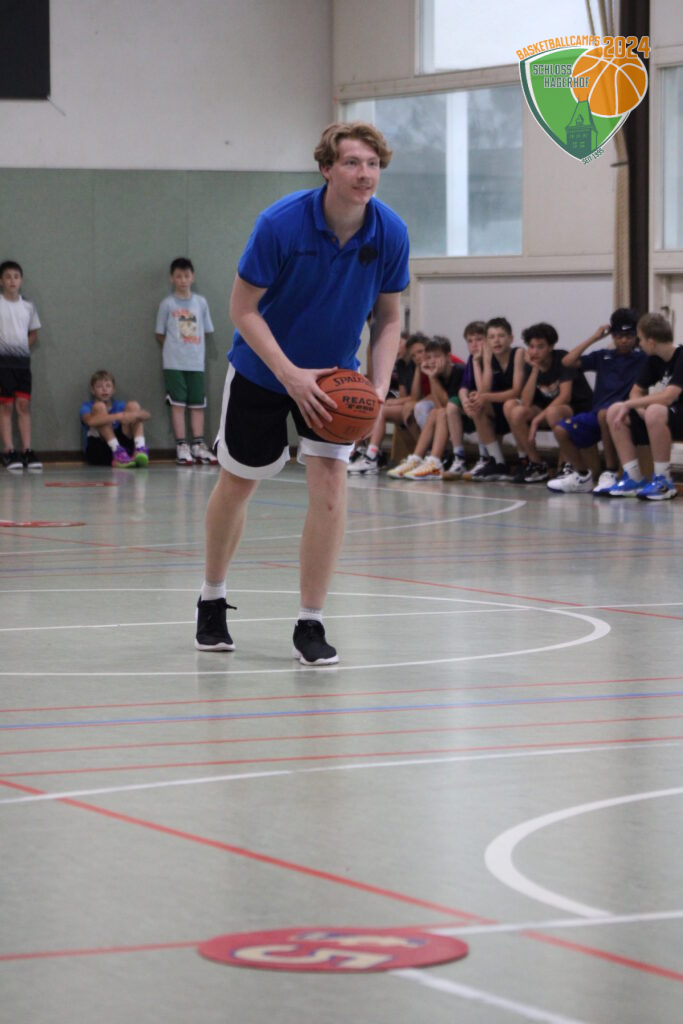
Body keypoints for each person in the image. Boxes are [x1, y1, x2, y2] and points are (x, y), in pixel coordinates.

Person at [196, 121, 409, 663]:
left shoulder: (390, 232)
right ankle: (212, 598)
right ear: (326, 168)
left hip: (337, 381)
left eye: (373, 164)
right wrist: (289, 373)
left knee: (332, 488)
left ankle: (310, 622)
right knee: (237, 484)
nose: (365, 174)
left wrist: (379, 386)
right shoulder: (281, 223)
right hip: (263, 370)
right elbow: (242, 309)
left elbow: (389, 318)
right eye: (352, 163)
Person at [547, 308, 647, 493]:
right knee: (561, 430)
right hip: (597, 415)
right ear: (613, 336)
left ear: (636, 336)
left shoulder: (642, 358)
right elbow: (568, 361)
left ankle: (610, 471)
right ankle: (582, 476)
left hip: (624, 415)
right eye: (619, 336)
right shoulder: (603, 356)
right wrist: (594, 337)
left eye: (629, 336)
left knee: (604, 413)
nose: (624, 340)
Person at [606, 312, 682, 500]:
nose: (638, 344)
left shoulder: (681, 356)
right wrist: (640, 411)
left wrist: (631, 404)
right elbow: (636, 392)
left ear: (651, 341)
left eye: (640, 339)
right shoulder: (654, 360)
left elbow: (669, 396)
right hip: (665, 418)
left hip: (679, 416)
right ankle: (633, 477)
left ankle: (663, 481)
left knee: (654, 410)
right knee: (615, 410)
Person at [504, 322, 593, 483]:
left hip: (576, 408)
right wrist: (534, 369)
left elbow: (565, 396)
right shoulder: (531, 364)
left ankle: (567, 465)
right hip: (548, 409)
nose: (534, 352)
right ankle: (537, 464)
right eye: (531, 347)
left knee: (553, 412)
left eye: (540, 347)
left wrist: (537, 419)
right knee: (516, 411)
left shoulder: (562, 359)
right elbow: (526, 402)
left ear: (551, 347)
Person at [155, 257, 217, 466]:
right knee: (178, 404)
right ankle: (182, 445)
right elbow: (159, 333)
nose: (183, 280)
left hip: (196, 363)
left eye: (186, 276)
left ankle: (198, 444)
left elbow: (206, 330)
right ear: (172, 278)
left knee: (197, 404)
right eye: (178, 276)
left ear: (193, 277)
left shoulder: (201, 303)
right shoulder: (167, 304)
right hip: (173, 363)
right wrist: (175, 349)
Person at [348, 332, 426, 474]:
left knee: (386, 408)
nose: (396, 347)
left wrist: (394, 402)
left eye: (399, 343)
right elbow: (405, 395)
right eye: (415, 353)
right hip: (410, 403)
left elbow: (417, 397)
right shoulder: (401, 364)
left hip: (423, 404)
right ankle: (365, 453)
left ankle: (423, 455)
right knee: (377, 408)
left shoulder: (421, 364)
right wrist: (394, 402)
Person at [387, 339, 463, 479]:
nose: (432, 360)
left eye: (436, 356)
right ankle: (417, 458)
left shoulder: (458, 370)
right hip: (450, 414)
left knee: (439, 413)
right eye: (429, 357)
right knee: (435, 412)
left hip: (463, 417)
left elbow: (446, 405)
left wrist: (432, 377)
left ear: (448, 357)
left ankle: (435, 463)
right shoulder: (437, 372)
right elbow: (439, 406)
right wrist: (432, 377)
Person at [468, 317, 525, 481]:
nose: (496, 340)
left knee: (510, 404)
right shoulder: (490, 358)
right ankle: (497, 462)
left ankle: (525, 460)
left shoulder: (518, 353)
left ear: (511, 338)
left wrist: (485, 396)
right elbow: (484, 390)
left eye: (501, 336)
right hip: (502, 406)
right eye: (492, 337)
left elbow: (516, 391)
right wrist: (483, 362)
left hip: (523, 406)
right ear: (487, 341)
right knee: (477, 406)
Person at [0, 260, 42, 471]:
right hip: (2, 365)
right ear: (1, 281)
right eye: (8, 277)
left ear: (21, 280)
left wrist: (22, 347)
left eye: (16, 277)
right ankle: (9, 451)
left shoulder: (28, 306)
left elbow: (33, 333)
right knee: (6, 406)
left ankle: (27, 450)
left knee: (23, 405)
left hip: (22, 365)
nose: (12, 281)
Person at [80, 370, 151, 467]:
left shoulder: (120, 405)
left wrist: (134, 415)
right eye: (100, 386)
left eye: (108, 386)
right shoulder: (87, 406)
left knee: (133, 405)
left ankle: (140, 449)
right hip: (99, 450)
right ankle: (116, 450)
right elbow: (90, 422)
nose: (104, 389)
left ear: (113, 389)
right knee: (99, 407)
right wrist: (120, 416)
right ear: (93, 390)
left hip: (124, 451)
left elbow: (146, 415)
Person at [443, 321, 486, 480]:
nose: (474, 344)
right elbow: (463, 387)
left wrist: (476, 363)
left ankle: (485, 457)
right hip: (474, 405)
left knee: (478, 402)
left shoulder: (489, 360)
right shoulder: (470, 359)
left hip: (491, 407)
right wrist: (464, 400)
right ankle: (459, 458)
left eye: (479, 339)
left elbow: (484, 390)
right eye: (470, 341)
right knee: (452, 405)